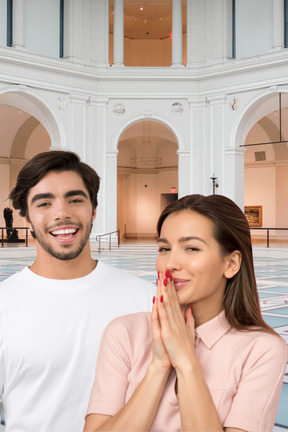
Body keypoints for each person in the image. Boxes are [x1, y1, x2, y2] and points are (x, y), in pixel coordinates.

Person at [84, 194, 288, 432]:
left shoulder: (262, 350)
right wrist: (159, 366)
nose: (170, 263)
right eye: (164, 248)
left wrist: (186, 362)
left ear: (231, 263)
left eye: (191, 248)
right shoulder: (124, 332)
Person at [0, 151, 156, 432]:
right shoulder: (4, 305)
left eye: (75, 200)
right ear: (26, 219)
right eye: (44, 203)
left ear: (93, 211)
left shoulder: (146, 299)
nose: (62, 213)